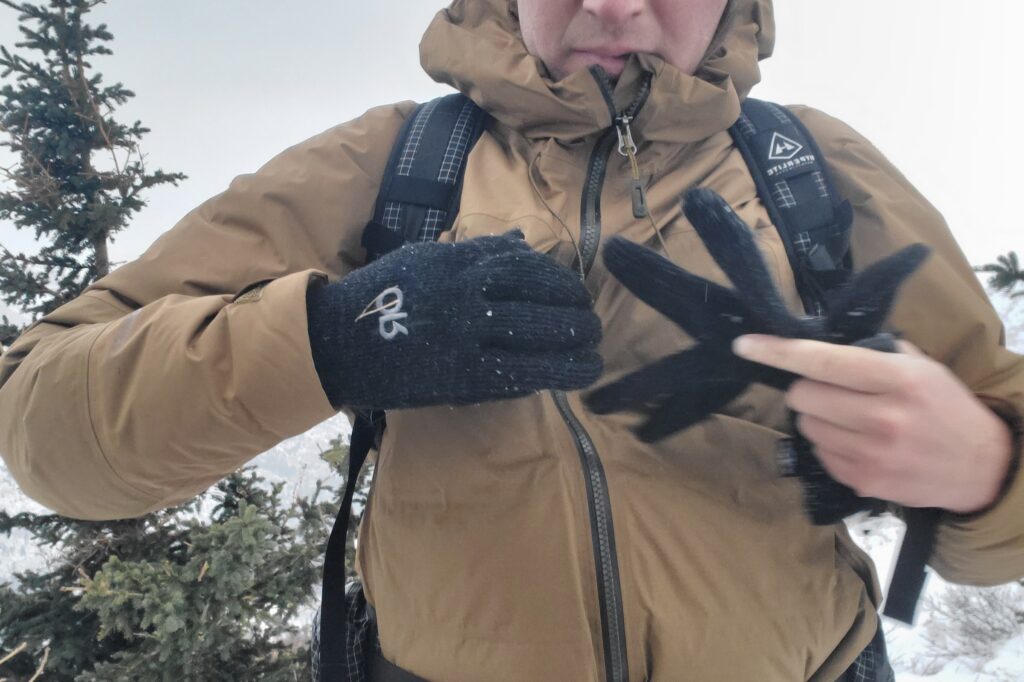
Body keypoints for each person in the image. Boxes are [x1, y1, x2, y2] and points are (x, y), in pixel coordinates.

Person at [1, 0, 1022, 679]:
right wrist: (332, 337)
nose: (615, 4)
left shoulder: (812, 170)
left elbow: (1000, 431)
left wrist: (980, 462)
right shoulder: (390, 164)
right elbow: (42, 420)